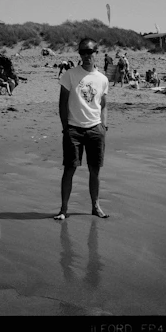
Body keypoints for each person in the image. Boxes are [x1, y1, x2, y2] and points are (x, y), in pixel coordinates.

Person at [55, 37, 111, 221]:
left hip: (95, 129)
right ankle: (63, 209)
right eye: (82, 52)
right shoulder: (69, 75)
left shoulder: (102, 79)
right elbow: (62, 104)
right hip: (74, 130)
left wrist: (103, 125)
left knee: (95, 170)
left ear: (96, 53)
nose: (86, 56)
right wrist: (66, 127)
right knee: (69, 169)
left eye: (90, 52)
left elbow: (103, 104)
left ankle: (96, 206)